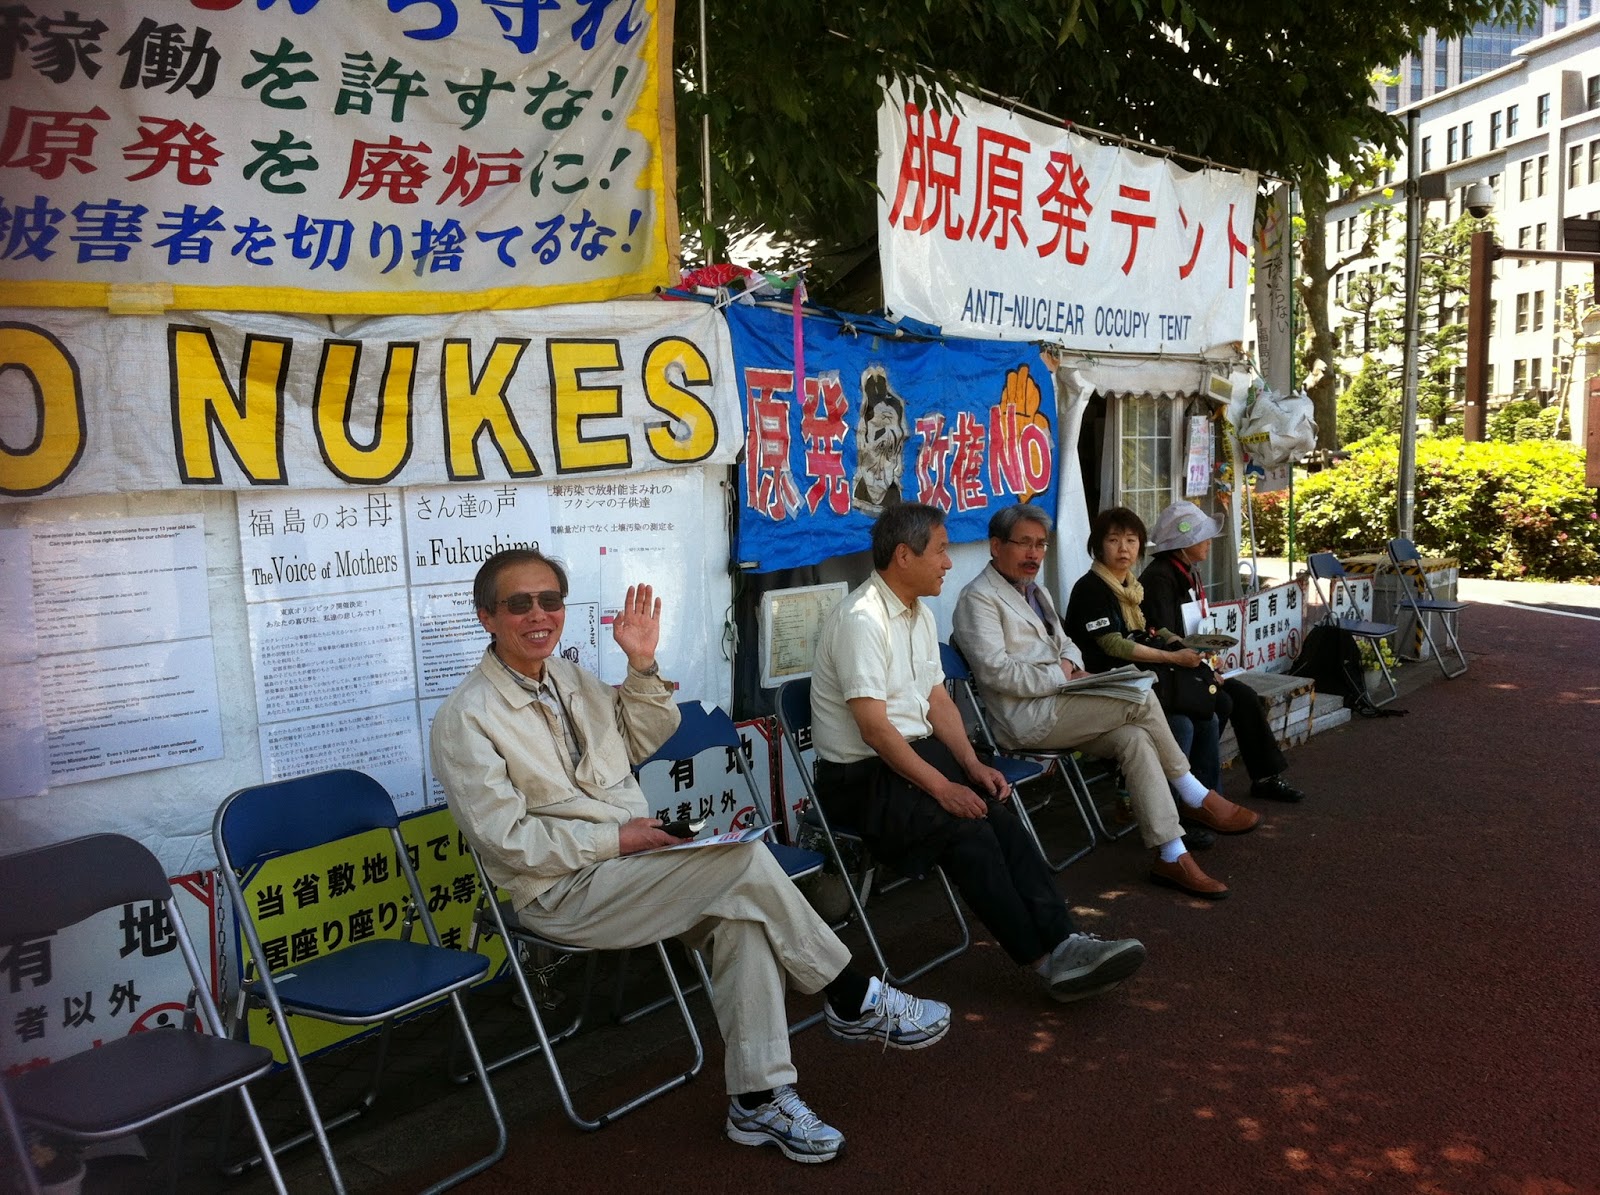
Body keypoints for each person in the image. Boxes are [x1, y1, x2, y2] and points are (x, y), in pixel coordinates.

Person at [431, 548, 952, 1166]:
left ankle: (758, 1099)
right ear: (487, 617)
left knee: (742, 917)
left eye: (550, 600)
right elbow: (507, 841)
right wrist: (618, 840)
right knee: (741, 865)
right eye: (519, 604)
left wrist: (642, 665)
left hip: (632, 865)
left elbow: (641, 738)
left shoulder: (569, 678)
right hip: (562, 892)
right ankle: (850, 992)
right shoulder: (466, 718)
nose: (538, 615)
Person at [809, 503, 1148, 999]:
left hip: (912, 760)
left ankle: (1065, 940)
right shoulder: (862, 619)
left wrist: (971, 764)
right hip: (860, 780)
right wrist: (944, 788)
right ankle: (1046, 962)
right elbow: (876, 731)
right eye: (941, 551)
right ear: (904, 555)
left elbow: (938, 700)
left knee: (1000, 814)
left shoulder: (918, 612)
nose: (949, 562)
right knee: (968, 832)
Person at [951, 502, 1248, 899]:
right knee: (1140, 696)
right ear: (995, 546)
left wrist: (1070, 666)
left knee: (1135, 739)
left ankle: (1172, 854)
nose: (1034, 554)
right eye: (1024, 543)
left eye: (1040, 544)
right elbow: (997, 674)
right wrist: (1062, 674)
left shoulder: (1035, 591)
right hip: (1025, 719)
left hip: (1063, 704)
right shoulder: (977, 600)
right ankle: (1194, 793)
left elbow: (1069, 644)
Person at [1063, 507, 1266, 843]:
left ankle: (1204, 802)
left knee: (1208, 716)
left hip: (1138, 678)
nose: (1124, 548)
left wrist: (1185, 647)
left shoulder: (1131, 586)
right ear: (1097, 546)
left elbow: (1149, 630)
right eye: (1113, 540)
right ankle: (1171, 815)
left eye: (1131, 541)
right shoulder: (1091, 588)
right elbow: (1113, 644)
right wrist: (1173, 656)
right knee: (1181, 723)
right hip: (1107, 682)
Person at [1139, 500, 1306, 803]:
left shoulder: (1186, 570)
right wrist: (1205, 668)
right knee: (1226, 701)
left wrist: (1209, 660)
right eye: (1201, 535)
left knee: (1245, 698)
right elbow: (1163, 634)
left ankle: (1264, 777)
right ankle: (1200, 788)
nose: (1209, 541)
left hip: (1194, 665)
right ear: (1183, 543)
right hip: (1175, 672)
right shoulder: (1159, 578)